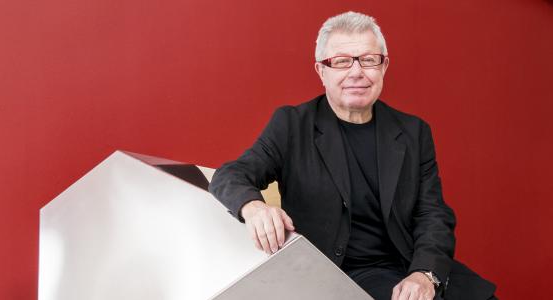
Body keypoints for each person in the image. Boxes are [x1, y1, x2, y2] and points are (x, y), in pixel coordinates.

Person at [209, 11, 496, 300]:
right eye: (342, 62)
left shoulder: (413, 131)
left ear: (383, 67)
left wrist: (425, 274)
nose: (357, 72)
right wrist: (254, 207)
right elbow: (230, 175)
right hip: (341, 274)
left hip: (412, 265)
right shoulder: (292, 125)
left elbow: (432, 214)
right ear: (322, 71)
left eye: (368, 60)